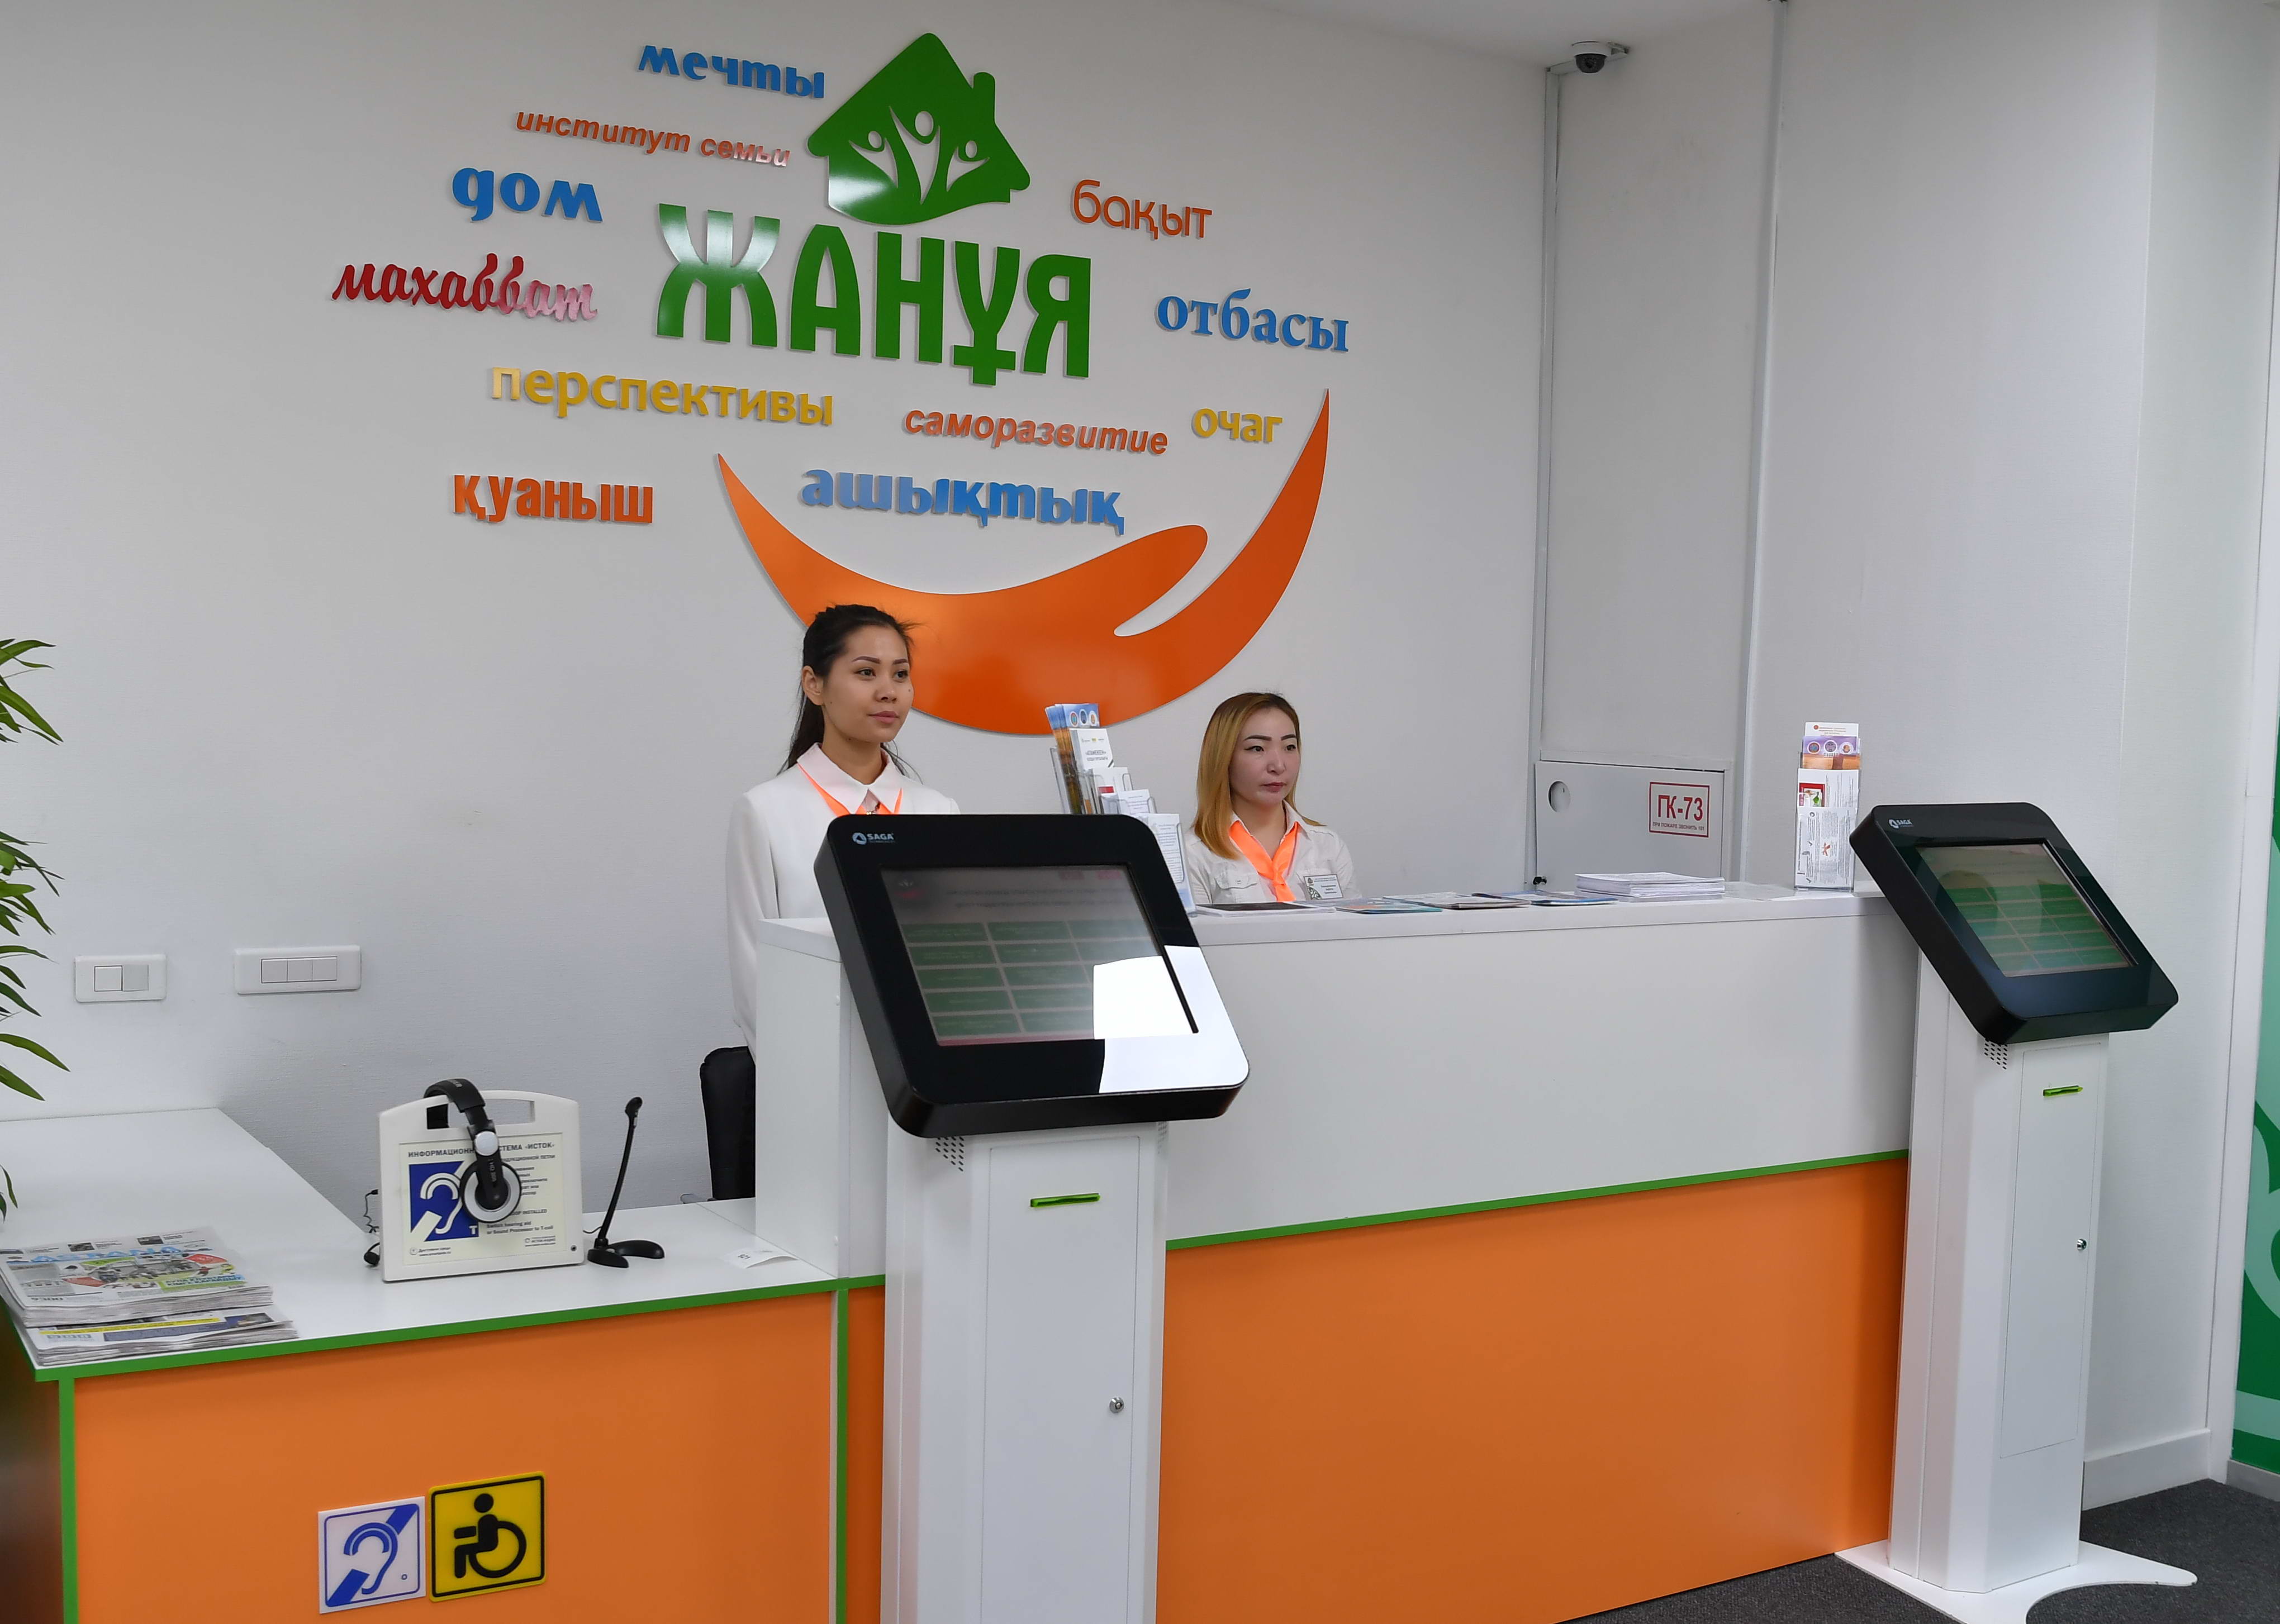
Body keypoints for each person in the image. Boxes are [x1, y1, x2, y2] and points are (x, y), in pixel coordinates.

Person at [728, 605, 958, 1040]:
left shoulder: (938, 812)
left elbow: (954, 960)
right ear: (814, 684)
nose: (889, 691)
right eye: (866, 672)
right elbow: (754, 980)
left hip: (925, 1061)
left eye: (901, 674)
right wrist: (800, 1069)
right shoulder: (765, 811)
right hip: (813, 1058)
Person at [1181, 692, 1355, 905]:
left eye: (1289, 747)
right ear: (1223, 758)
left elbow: (1355, 925)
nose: (1278, 766)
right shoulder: (1193, 854)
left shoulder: (1327, 845)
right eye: (1257, 748)